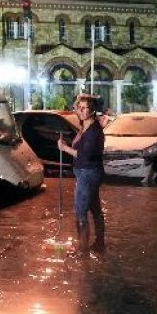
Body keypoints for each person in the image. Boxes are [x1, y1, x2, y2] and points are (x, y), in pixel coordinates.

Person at [57, 94, 106, 257]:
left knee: (80, 212)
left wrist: (65, 149)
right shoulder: (84, 127)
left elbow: (85, 155)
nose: (80, 110)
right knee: (94, 209)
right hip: (87, 172)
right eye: (79, 107)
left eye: (84, 108)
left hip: (88, 173)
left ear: (92, 111)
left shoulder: (93, 131)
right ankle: (99, 244)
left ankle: (82, 250)